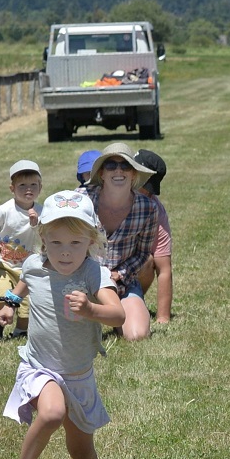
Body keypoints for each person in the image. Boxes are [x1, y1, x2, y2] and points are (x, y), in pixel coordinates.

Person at [0, 190, 127, 459]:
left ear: (90, 241)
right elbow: (25, 282)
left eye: (74, 243)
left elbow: (118, 316)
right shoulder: (34, 265)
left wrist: (91, 309)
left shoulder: (94, 274)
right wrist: (10, 304)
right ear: (43, 239)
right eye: (56, 243)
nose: (65, 252)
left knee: (82, 452)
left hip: (79, 375)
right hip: (40, 366)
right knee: (52, 412)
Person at [83, 142, 158, 341]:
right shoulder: (81, 201)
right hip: (81, 280)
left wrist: (119, 274)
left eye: (125, 166)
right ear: (102, 174)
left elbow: (143, 254)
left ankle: (115, 314)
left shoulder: (148, 208)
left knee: (137, 335)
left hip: (122, 283)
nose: (118, 170)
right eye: (111, 165)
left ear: (134, 174)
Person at [0, 159, 44, 341]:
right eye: (22, 185)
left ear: (40, 187)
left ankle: (21, 330)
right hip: (5, 263)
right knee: (2, 296)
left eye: (33, 184)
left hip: (29, 267)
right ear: (12, 188)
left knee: (27, 305)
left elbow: (46, 238)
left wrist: (36, 224)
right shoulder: (5, 210)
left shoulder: (41, 211)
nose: (28, 189)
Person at [132, 148, 172, 327]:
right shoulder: (104, 193)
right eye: (145, 186)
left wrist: (163, 317)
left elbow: (164, 268)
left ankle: (131, 300)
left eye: (151, 189)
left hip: (129, 270)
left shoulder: (155, 209)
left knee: (147, 260)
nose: (148, 194)